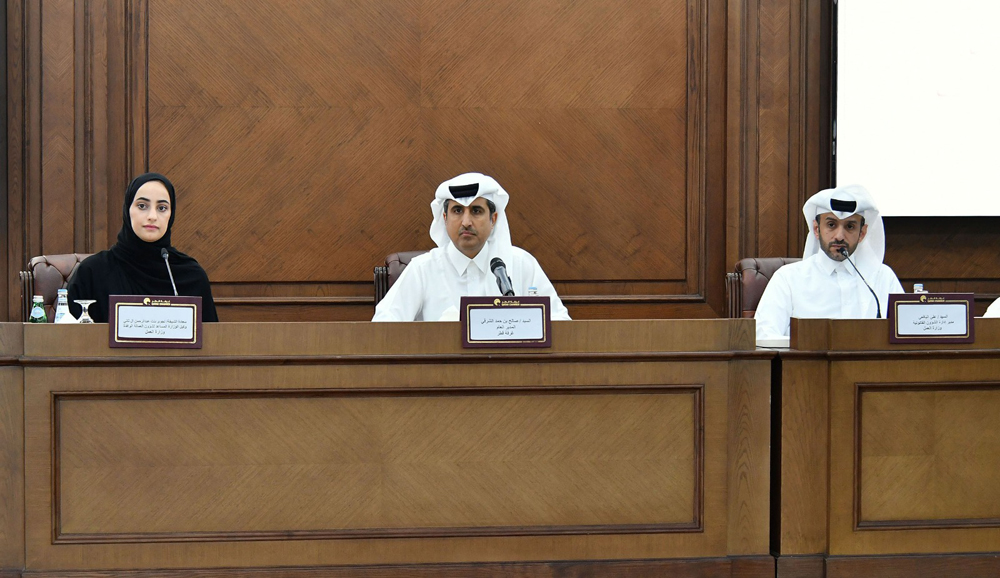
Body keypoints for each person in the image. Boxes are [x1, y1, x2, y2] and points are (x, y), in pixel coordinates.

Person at [373, 172, 570, 322]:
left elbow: (560, 323)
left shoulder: (521, 264)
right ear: (445, 218)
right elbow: (383, 326)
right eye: (458, 211)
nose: (466, 222)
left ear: (493, 219)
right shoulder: (422, 269)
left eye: (476, 211)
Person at [754, 184, 903, 341]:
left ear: (862, 233)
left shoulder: (882, 278)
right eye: (831, 225)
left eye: (850, 226)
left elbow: (905, 334)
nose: (839, 236)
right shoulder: (788, 279)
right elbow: (763, 336)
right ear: (816, 229)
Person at [68, 173, 218, 323]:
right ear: (128, 210)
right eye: (142, 206)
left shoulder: (191, 276)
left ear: (171, 215)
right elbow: (68, 335)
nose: (152, 216)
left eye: (162, 208)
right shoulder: (93, 272)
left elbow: (211, 337)